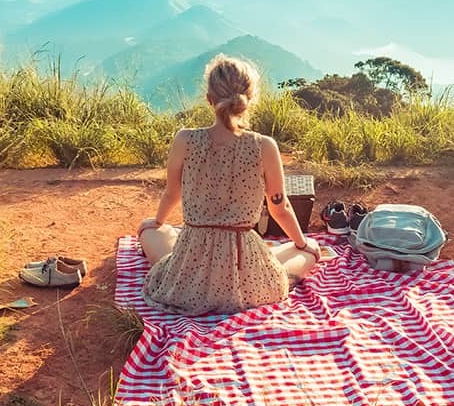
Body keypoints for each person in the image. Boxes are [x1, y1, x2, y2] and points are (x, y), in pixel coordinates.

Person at [137, 54, 321, 316]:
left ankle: (170, 246)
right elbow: (280, 208)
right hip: (244, 267)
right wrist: (303, 243)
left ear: (209, 99)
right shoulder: (264, 146)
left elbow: (172, 194)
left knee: (150, 231)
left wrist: (157, 221)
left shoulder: (185, 140)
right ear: (250, 99)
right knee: (306, 251)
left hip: (191, 266)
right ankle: (297, 254)